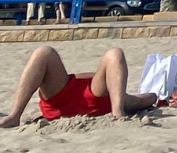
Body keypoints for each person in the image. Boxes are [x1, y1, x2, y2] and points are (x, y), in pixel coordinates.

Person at [0, 47, 160, 127]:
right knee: (44, 52)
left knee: (44, 52)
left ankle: (14, 115)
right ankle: (117, 114)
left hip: (70, 100)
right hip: (87, 96)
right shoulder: (122, 96)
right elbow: (150, 97)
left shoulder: (123, 98)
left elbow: (148, 98)